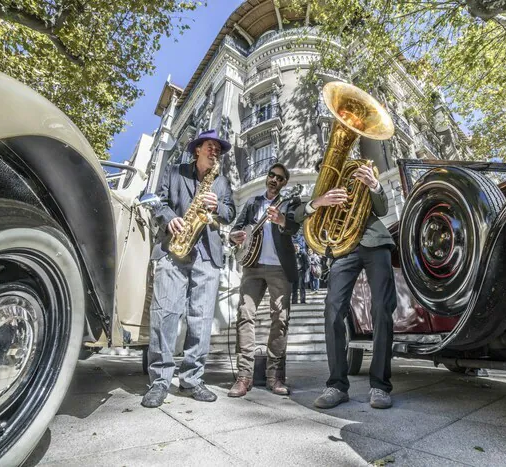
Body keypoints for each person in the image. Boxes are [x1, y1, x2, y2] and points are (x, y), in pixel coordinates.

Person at [142, 129, 236, 408]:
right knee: (164, 315)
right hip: (174, 250)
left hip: (207, 255)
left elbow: (230, 212)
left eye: (218, 148)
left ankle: (192, 380)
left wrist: (218, 205)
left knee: (202, 319)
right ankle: (159, 382)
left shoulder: (221, 182)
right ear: (197, 149)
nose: (215, 151)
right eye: (210, 146)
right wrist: (169, 218)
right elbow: (157, 201)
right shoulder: (174, 172)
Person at [295, 161, 396, 410]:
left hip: (374, 242)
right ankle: (337, 386)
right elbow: (297, 215)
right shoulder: (323, 193)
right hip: (343, 249)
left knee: (382, 308)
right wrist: (319, 202)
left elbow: (381, 209)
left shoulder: (360, 179)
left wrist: (373, 184)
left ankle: (380, 386)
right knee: (332, 309)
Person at [228, 163, 301, 397]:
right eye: (271, 175)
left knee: (280, 319)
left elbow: (295, 227)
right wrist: (235, 236)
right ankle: (244, 376)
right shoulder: (252, 203)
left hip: (280, 267)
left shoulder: (289, 202)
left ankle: (275, 376)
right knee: (244, 315)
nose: (274, 180)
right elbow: (236, 230)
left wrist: (281, 220)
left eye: (280, 178)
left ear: (284, 184)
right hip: (252, 266)